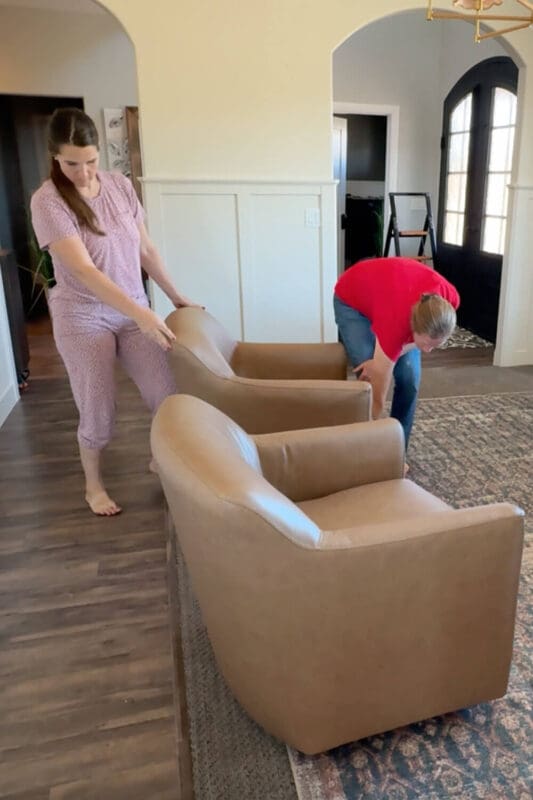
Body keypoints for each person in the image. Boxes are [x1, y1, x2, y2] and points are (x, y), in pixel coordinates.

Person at [31, 107, 200, 517]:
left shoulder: (120, 186)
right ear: (55, 156)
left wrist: (176, 297)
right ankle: (94, 485)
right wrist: (143, 315)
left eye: (91, 161)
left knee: (166, 393)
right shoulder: (48, 202)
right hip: (83, 315)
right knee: (98, 408)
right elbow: (85, 272)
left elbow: (145, 250)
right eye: (72, 163)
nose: (84, 173)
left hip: (132, 309)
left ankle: (162, 460)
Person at [333, 256, 459, 450]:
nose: (427, 351)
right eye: (425, 343)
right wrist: (376, 363)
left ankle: (398, 449)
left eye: (436, 345)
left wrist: (381, 359)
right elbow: (378, 400)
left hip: (391, 294)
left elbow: (403, 347)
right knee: (368, 379)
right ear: (413, 328)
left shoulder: (449, 302)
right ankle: (365, 447)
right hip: (352, 299)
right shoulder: (396, 322)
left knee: (409, 380)